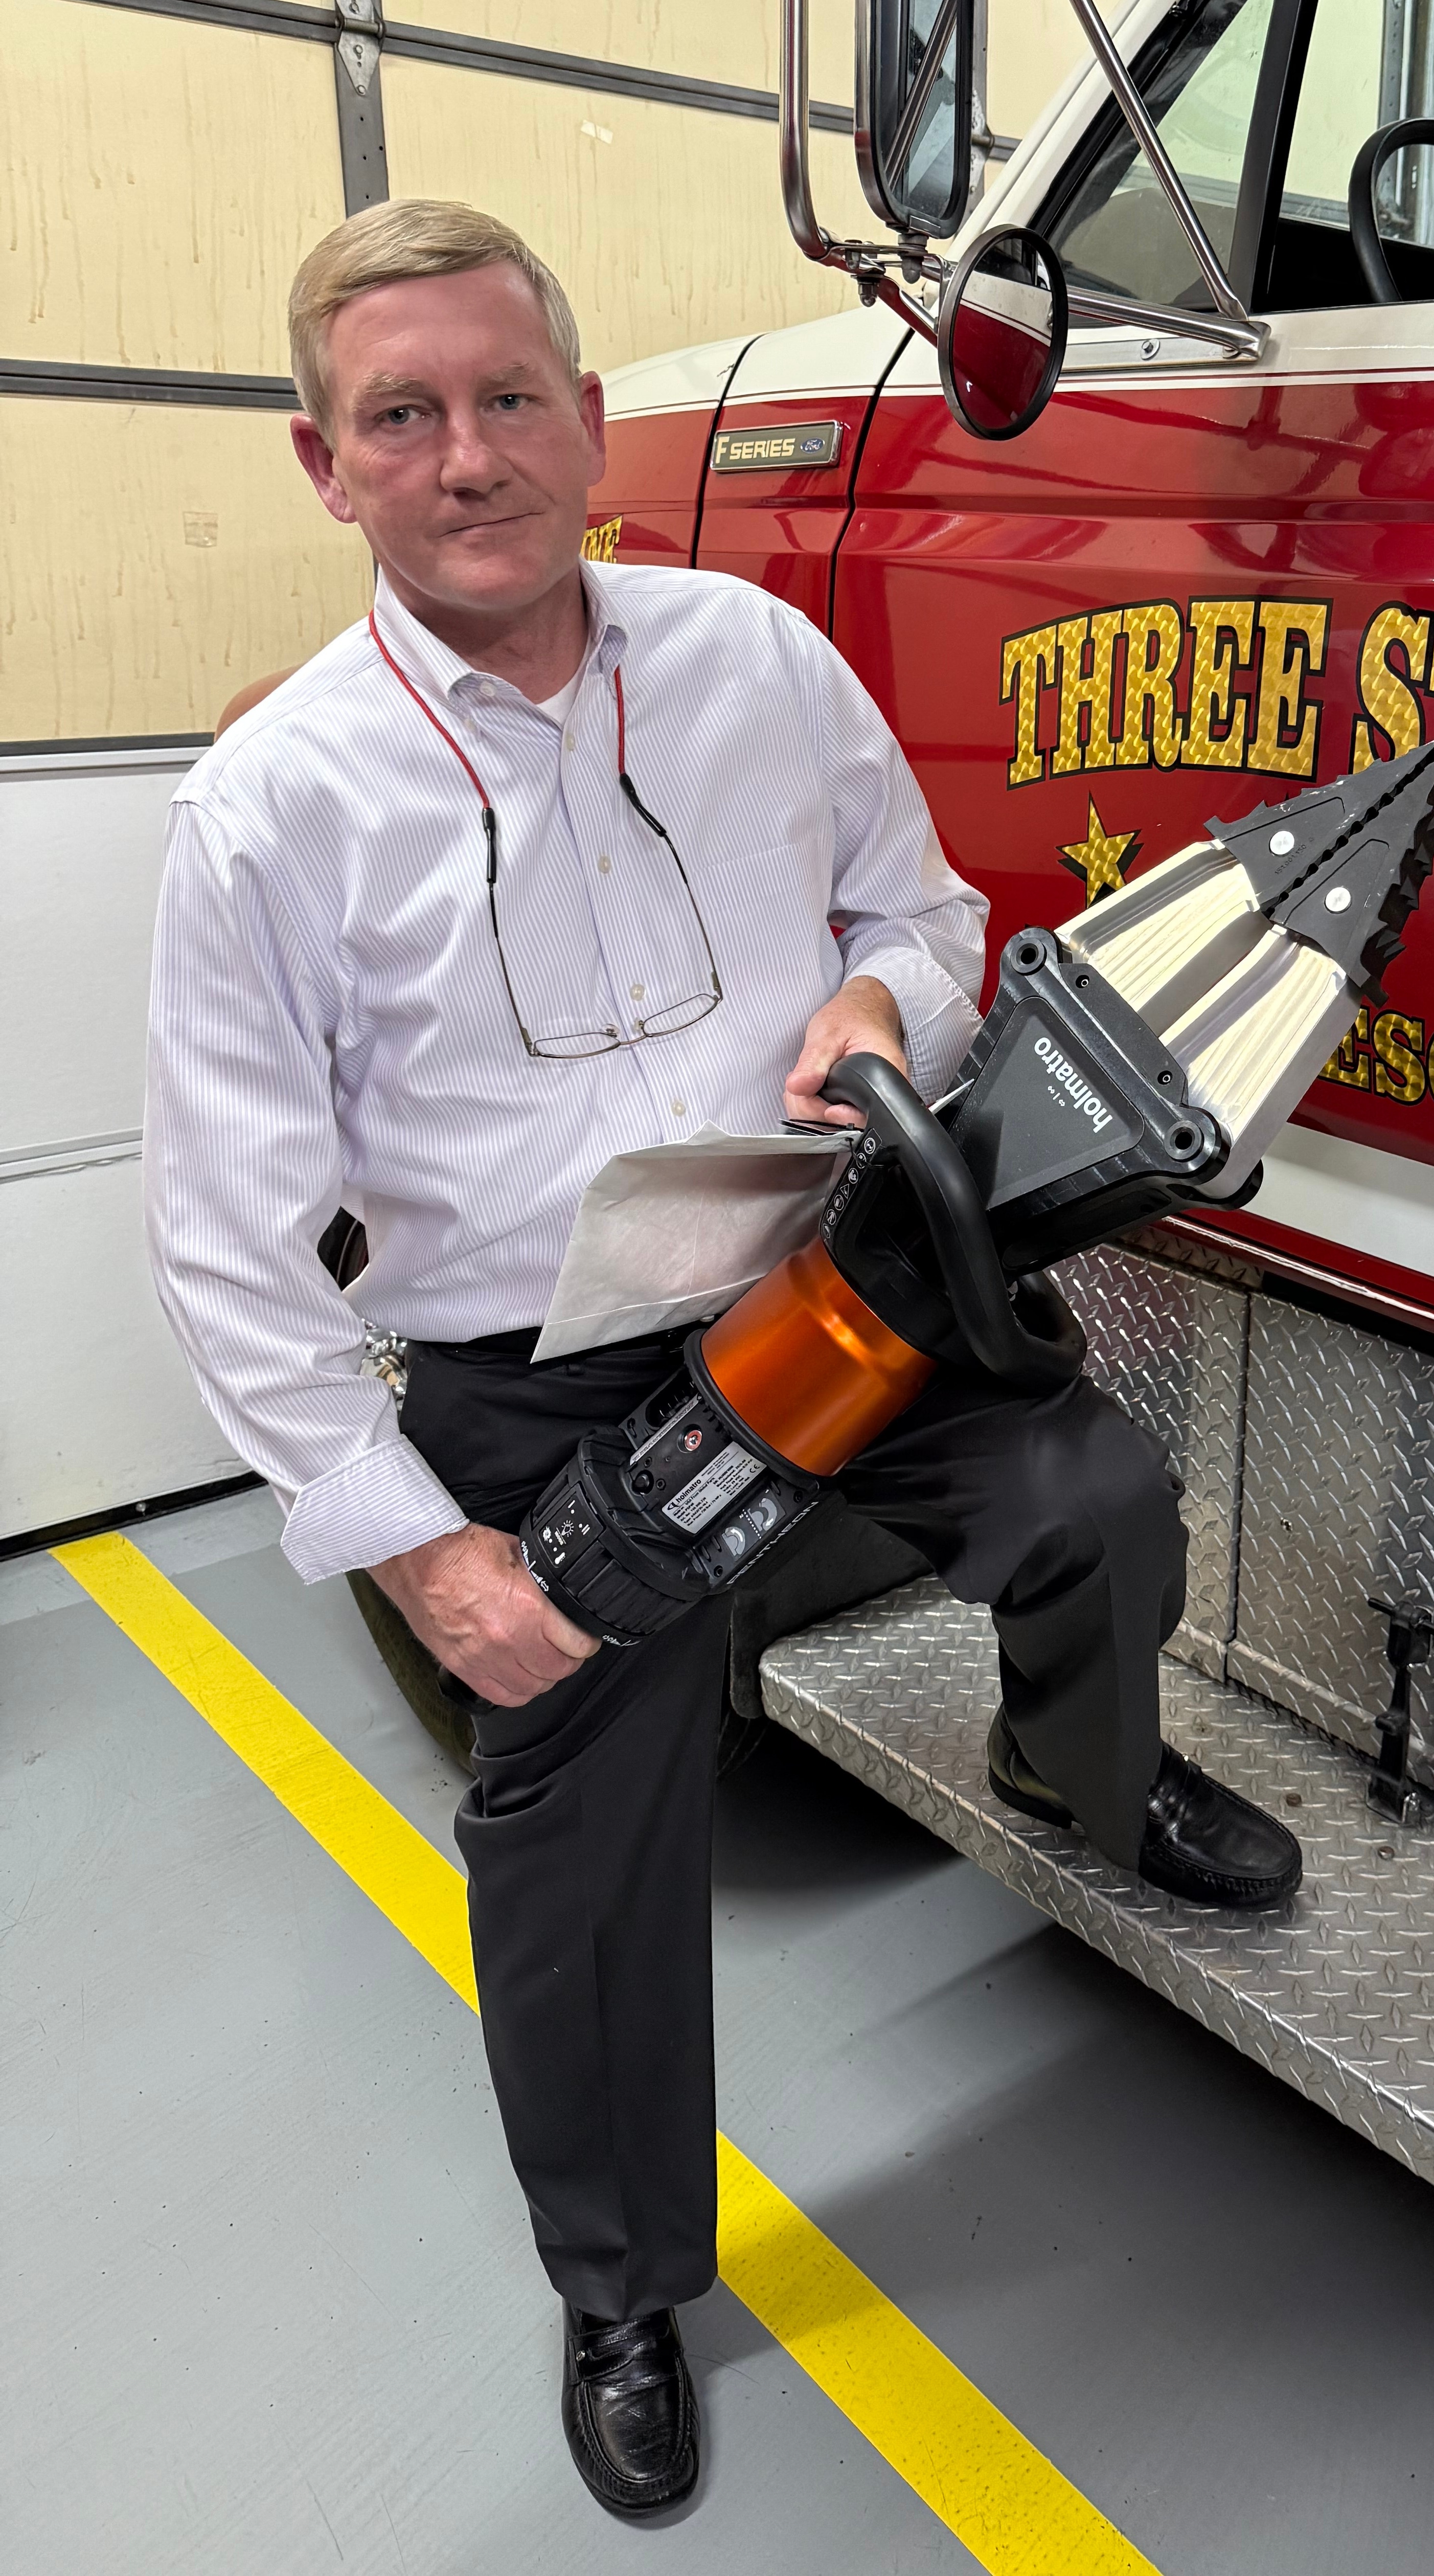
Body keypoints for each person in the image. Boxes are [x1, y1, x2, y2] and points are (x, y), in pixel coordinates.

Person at [144, 199, 1299, 2520]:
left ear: (585, 421)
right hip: (540, 1372)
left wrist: (888, 1005)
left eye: (507, 397)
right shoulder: (268, 812)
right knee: (575, 1819)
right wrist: (429, 1557)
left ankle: (1078, 1773)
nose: (467, 455)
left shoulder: (757, 658)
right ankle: (620, 2283)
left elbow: (920, 909)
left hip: (836, 1280)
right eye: (405, 416)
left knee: (1096, 1501)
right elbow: (228, 1251)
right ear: (325, 466)